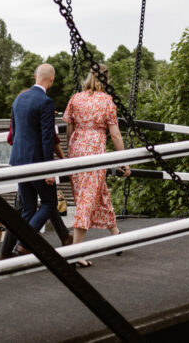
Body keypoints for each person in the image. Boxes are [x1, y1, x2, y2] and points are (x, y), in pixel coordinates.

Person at [63, 66, 131, 265]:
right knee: (87, 198)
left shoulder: (76, 99)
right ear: (106, 79)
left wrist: (72, 149)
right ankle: (77, 253)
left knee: (98, 193)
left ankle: (116, 235)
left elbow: (69, 129)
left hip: (77, 149)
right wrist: (124, 159)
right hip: (94, 151)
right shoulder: (107, 101)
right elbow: (116, 134)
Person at [7, 64, 62, 255]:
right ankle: (24, 244)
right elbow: (47, 139)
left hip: (18, 160)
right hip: (36, 162)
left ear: (35, 76)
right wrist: (48, 170)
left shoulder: (18, 99)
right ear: (51, 80)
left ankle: (18, 249)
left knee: (28, 208)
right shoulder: (46, 102)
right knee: (49, 203)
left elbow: (13, 134)